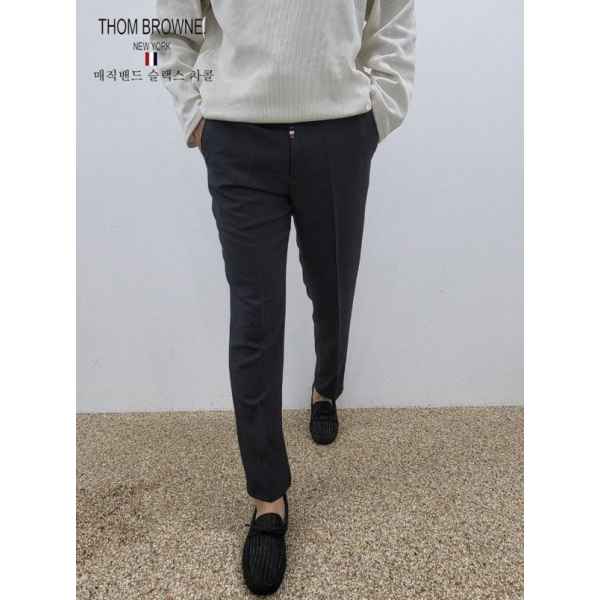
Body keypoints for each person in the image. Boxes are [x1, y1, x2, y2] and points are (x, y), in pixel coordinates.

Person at [153, 0, 415, 594]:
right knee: (255, 318)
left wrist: (379, 112)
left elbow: (393, 18)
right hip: (238, 138)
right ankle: (267, 497)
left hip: (339, 132)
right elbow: (171, 26)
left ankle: (326, 387)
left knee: (333, 286)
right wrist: (195, 115)